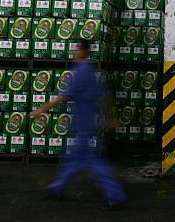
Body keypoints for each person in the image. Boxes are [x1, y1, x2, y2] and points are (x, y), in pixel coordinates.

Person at [29, 39, 127, 209]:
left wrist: (40, 111)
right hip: (87, 124)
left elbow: (62, 97)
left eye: (76, 49)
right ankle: (56, 189)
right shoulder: (91, 71)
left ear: (83, 51)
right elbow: (105, 96)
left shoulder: (81, 72)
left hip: (84, 126)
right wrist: (110, 117)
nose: (74, 53)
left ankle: (116, 196)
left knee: (93, 162)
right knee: (76, 160)